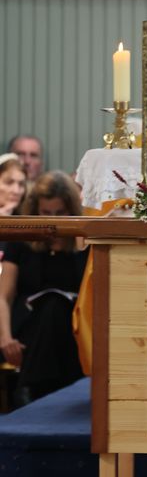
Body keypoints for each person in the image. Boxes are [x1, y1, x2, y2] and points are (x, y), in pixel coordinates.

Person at [0, 171, 87, 405]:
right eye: (46, 213)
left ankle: (29, 389)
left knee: (55, 307)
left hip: (72, 324)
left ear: (71, 210)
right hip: (28, 323)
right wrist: (5, 337)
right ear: (35, 210)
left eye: (60, 213)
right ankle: (56, 397)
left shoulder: (83, 241)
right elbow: (4, 295)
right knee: (49, 309)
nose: (53, 219)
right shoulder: (21, 240)